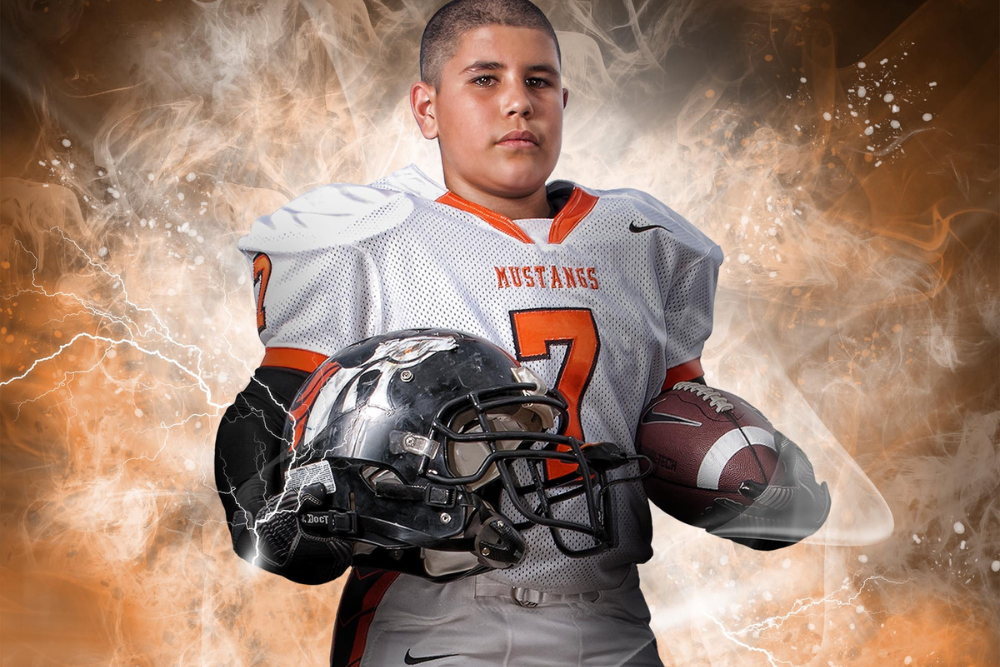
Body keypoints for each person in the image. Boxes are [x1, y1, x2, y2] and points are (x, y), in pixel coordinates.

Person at [214, 1, 829, 665]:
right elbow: (271, 411)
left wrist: (745, 479)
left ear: (564, 99)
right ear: (427, 108)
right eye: (485, 79)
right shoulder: (367, 239)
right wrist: (277, 518)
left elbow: (665, 422)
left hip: (611, 615)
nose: (518, 103)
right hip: (440, 615)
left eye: (537, 81)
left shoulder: (644, 240)